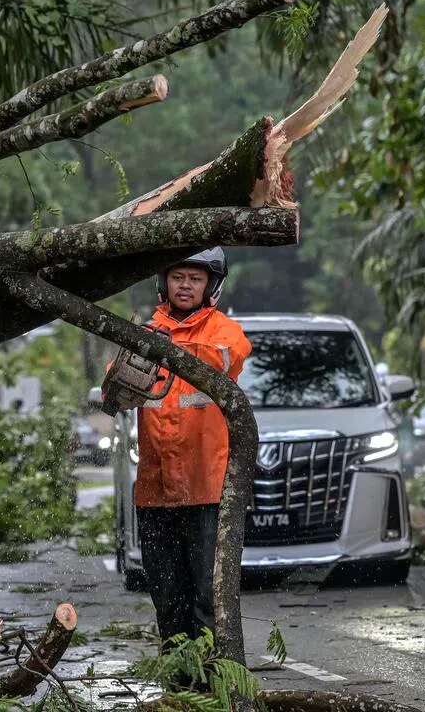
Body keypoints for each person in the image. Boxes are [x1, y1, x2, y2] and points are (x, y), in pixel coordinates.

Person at [113, 247, 251, 647]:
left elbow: (228, 357)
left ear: (210, 284)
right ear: (164, 282)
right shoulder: (141, 334)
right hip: (156, 493)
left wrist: (165, 347)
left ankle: (215, 684)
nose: (186, 285)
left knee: (209, 598)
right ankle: (179, 687)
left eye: (195, 278)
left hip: (207, 491)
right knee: (168, 602)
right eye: (178, 277)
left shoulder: (223, 332)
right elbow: (115, 389)